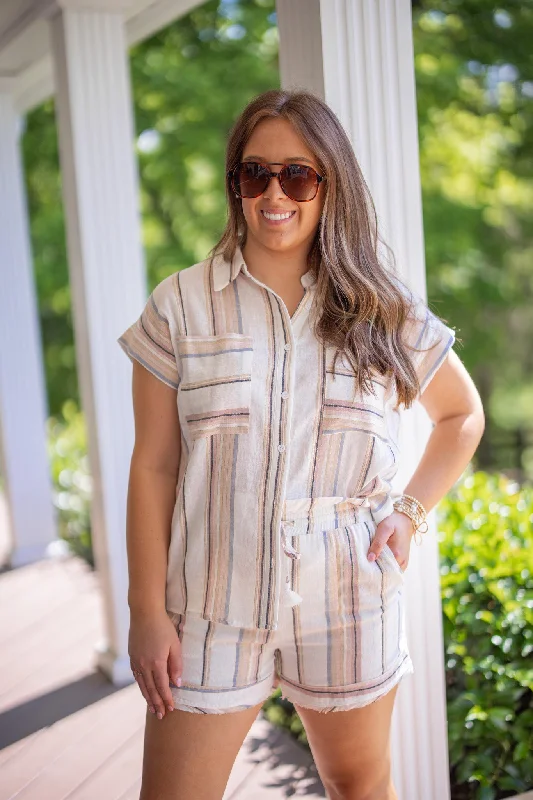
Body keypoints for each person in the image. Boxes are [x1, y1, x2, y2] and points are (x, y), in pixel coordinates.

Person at [117, 89, 484, 800]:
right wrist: (144, 611)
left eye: (298, 175)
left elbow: (460, 416)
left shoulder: (381, 306)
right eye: (253, 174)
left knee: (357, 785)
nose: (274, 194)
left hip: (349, 590)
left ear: (329, 185)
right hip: (209, 601)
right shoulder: (179, 305)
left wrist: (407, 512)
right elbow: (154, 465)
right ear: (235, 185)